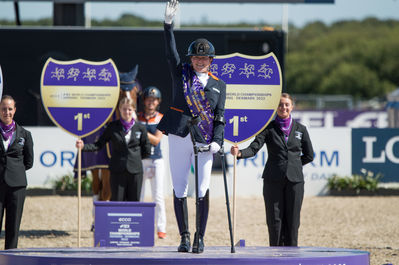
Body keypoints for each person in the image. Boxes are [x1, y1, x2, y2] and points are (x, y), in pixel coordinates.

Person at [157, 0, 226, 254]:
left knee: (203, 188)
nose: (199, 60)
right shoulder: (181, 73)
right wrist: (167, 25)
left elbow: (220, 116)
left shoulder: (219, 85)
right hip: (179, 134)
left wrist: (219, 139)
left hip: (205, 139)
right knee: (179, 187)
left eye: (204, 57)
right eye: (196, 56)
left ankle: (200, 236)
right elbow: (170, 53)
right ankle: (184, 236)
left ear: (210, 60)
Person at [231, 93, 314, 247]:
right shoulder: (268, 128)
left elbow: (309, 155)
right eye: (280, 104)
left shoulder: (301, 129)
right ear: (276, 107)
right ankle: (274, 255)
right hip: (272, 179)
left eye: (287, 104)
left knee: (293, 221)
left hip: (295, 181)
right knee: (274, 220)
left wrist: (293, 164)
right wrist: (240, 153)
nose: (283, 107)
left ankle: (292, 256)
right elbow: (254, 148)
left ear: (292, 107)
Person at [76, 97, 151, 201]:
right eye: (124, 109)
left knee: (134, 203)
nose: (127, 112)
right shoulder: (112, 127)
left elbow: (146, 149)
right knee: (117, 202)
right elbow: (98, 145)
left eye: (129, 109)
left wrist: (135, 158)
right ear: (119, 110)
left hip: (135, 171)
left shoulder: (140, 128)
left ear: (134, 110)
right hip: (117, 171)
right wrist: (83, 146)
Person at [0, 95, 34, 249]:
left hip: (17, 186)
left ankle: (9, 258)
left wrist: (14, 171)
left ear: (15, 110)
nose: (6, 112)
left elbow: (29, 162)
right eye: (3, 109)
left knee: (13, 227)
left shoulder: (25, 134)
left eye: (9, 109)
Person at [137, 86, 167, 239]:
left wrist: (141, 130)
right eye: (148, 99)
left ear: (158, 102)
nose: (151, 102)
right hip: (140, 160)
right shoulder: (137, 117)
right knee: (140, 194)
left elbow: (156, 140)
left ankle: (161, 228)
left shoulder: (161, 117)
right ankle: (140, 226)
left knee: (158, 196)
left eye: (154, 100)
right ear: (144, 101)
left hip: (156, 161)